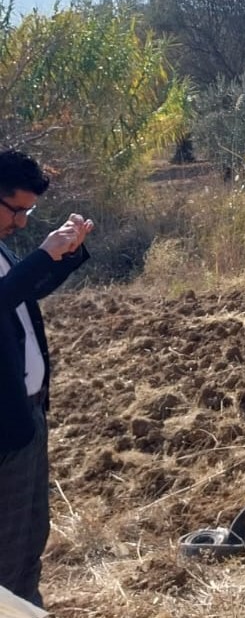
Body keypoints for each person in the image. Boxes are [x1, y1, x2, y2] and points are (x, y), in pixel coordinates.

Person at [0, 149, 93, 607]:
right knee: (8, 555)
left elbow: (20, 294)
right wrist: (40, 256)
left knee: (30, 540)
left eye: (27, 212)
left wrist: (61, 257)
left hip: (28, 415)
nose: (20, 223)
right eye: (16, 210)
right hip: (6, 430)